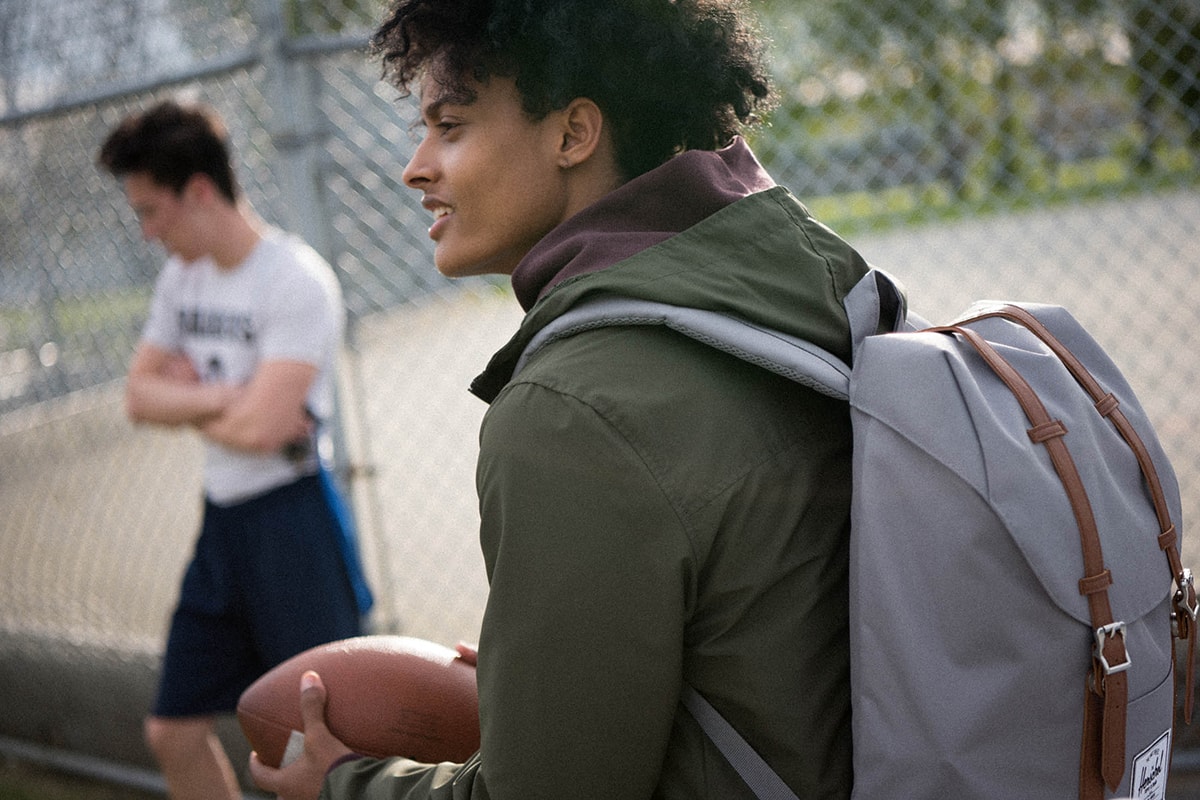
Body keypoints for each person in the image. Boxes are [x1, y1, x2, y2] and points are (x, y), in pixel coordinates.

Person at [253, 0, 868, 797]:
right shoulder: (806, 290)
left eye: (450, 126)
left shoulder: (570, 409)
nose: (416, 167)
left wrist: (343, 786)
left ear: (574, 134)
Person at [97, 99, 373, 800]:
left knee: (322, 747)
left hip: (294, 523)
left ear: (199, 190)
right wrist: (230, 399)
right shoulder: (181, 278)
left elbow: (263, 431)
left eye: (152, 210)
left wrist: (191, 400)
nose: (148, 231)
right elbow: (138, 396)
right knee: (172, 729)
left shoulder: (295, 279)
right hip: (222, 525)